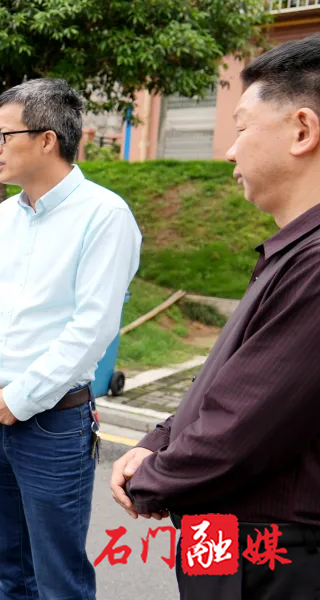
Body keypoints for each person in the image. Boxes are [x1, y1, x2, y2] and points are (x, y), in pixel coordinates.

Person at [112, 34, 320, 600]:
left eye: (242, 128)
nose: (229, 152)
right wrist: (159, 440)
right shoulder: (291, 250)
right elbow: (224, 381)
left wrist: (149, 478)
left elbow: (242, 426)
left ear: (302, 131)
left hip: (268, 550)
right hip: (223, 534)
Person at [0, 78, 142, 600]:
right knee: (12, 573)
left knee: (60, 581)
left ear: (46, 140)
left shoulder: (104, 215)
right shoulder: (7, 216)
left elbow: (92, 329)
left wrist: (19, 398)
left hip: (52, 425)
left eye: (3, 135)